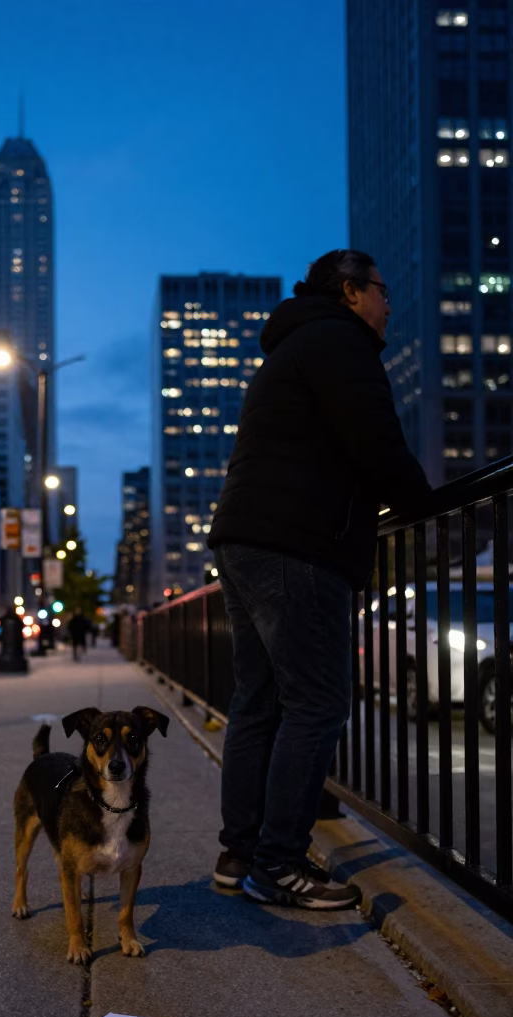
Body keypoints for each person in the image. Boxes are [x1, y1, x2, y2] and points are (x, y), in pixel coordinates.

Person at [208, 249, 432, 909]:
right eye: (384, 292)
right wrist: (432, 513)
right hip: (295, 545)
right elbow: (376, 442)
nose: (390, 306)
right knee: (318, 703)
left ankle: (241, 853)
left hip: (248, 537)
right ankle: (278, 864)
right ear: (352, 290)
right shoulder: (339, 341)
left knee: (259, 701)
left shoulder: (293, 346)